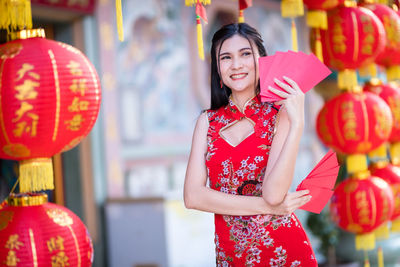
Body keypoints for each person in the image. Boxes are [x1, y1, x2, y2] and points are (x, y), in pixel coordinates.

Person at [184, 23, 318, 266]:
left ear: (261, 60)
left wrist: (297, 125)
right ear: (217, 68)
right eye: (226, 57)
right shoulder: (207, 122)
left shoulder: (280, 115)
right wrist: (268, 207)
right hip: (231, 255)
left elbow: (274, 193)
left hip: (284, 252)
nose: (236, 64)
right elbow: (193, 196)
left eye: (245, 54)